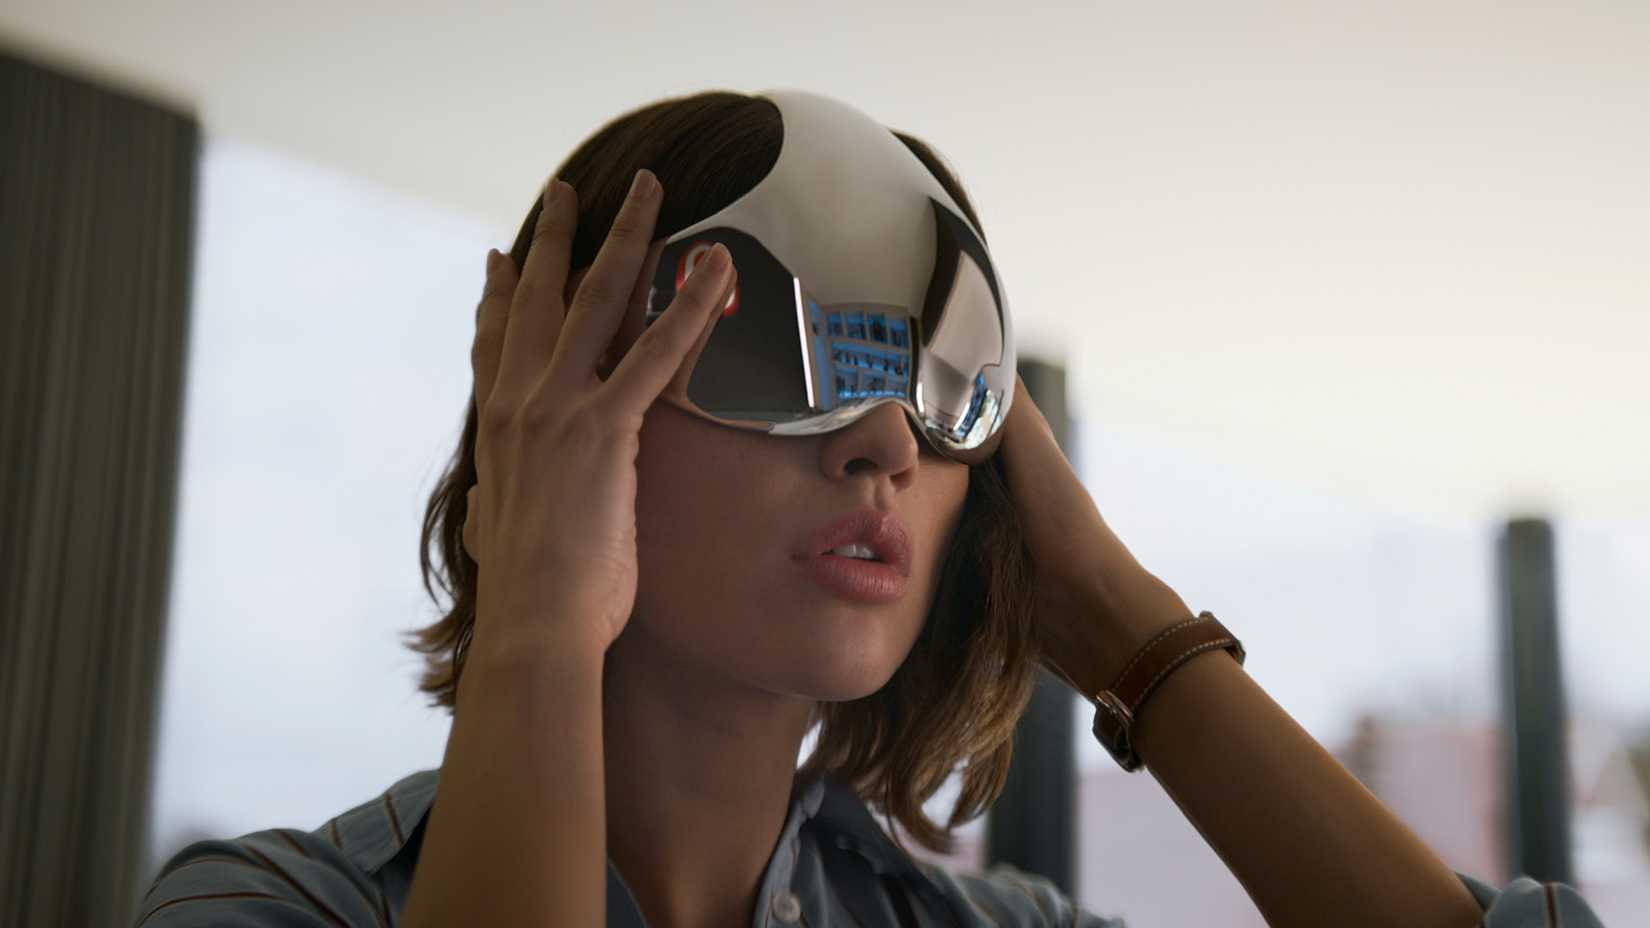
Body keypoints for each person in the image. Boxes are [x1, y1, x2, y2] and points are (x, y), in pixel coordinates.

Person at [137, 89, 1608, 927]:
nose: (882, 442)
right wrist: (537, 628)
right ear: (545, 413)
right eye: (758, 355)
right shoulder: (269, 912)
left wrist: (1130, 630)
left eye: (937, 387)